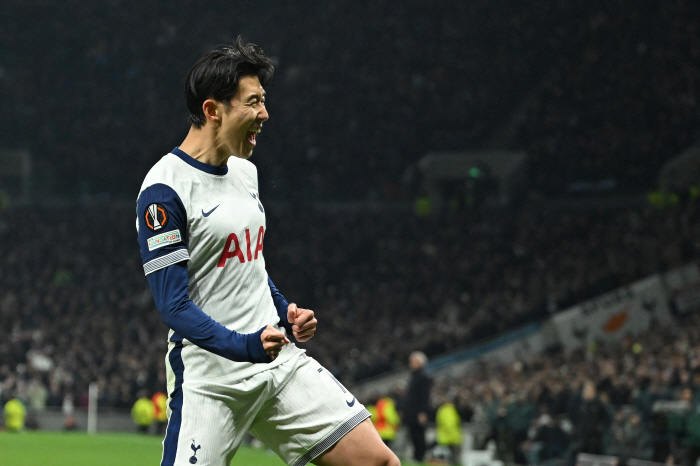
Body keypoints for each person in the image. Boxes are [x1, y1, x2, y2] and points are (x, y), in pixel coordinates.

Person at [135, 37, 400, 466]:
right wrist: (246, 346)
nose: (265, 114)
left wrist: (284, 309)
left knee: (378, 462)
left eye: (264, 100)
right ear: (213, 110)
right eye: (253, 102)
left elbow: (248, 263)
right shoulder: (164, 191)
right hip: (212, 381)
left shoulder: (245, 172)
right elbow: (173, 306)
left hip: (278, 363)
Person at [402, 351, 433, 463]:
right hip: (412, 412)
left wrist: (423, 412)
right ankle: (416, 457)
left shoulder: (423, 377)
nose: (411, 364)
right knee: (414, 435)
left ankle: (420, 457)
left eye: (413, 361)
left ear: (420, 363)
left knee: (419, 435)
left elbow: (425, 396)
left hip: (418, 412)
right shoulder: (414, 377)